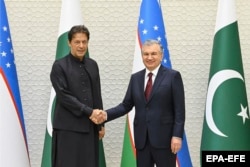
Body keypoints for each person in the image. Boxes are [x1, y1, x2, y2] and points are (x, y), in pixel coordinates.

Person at [91, 39, 185, 167]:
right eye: (146, 54)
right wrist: (105, 115)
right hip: (142, 140)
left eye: (153, 54)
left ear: (161, 55)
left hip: (165, 140)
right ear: (142, 56)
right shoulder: (136, 78)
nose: (149, 57)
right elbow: (126, 105)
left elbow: (180, 110)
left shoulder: (173, 76)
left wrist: (177, 136)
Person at [50, 25, 105, 167]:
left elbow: (96, 94)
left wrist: (101, 124)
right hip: (67, 129)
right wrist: (89, 112)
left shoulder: (93, 65)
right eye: (77, 42)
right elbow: (64, 96)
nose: (81, 46)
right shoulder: (59, 66)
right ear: (69, 43)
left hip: (90, 127)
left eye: (84, 42)